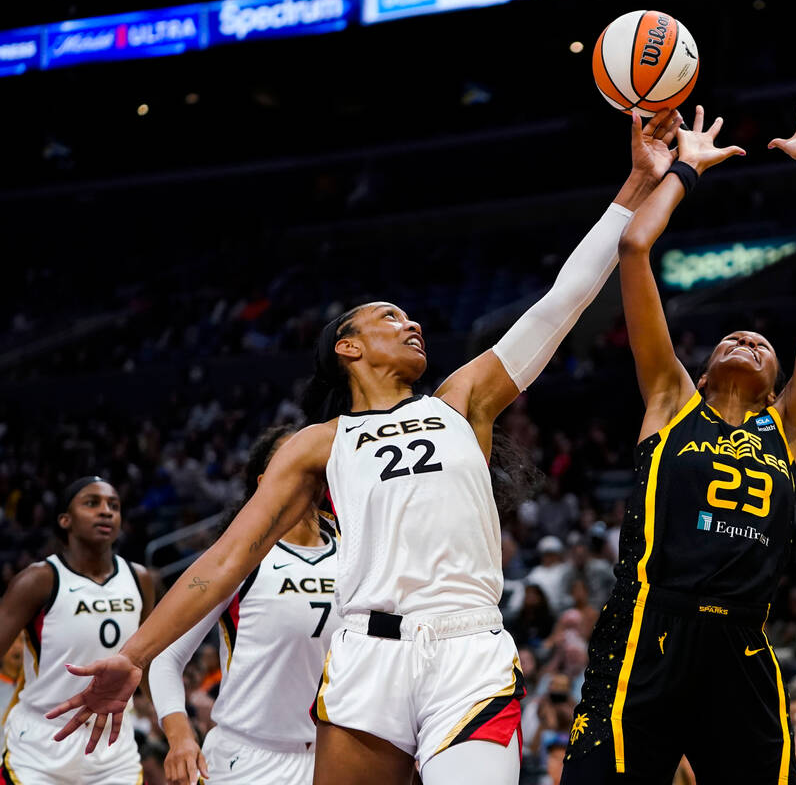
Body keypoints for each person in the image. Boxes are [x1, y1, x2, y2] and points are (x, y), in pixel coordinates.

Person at [48, 109, 686, 785]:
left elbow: (562, 303)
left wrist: (638, 185)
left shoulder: (461, 400)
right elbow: (226, 559)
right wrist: (139, 655)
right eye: (388, 317)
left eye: (409, 316)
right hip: (366, 657)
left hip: (467, 649)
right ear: (347, 347)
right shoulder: (316, 444)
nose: (409, 322)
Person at [563, 78, 796, 785]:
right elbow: (635, 249)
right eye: (732, 336)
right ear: (705, 362)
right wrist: (684, 170)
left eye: (761, 342)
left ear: (781, 378)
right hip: (649, 631)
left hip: (743, 644)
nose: (746, 338)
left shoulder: (789, 427)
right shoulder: (669, 398)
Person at [147, 425, 340, 785]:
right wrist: (180, 736)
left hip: (333, 756)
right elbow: (165, 657)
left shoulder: (356, 552)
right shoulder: (235, 560)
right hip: (246, 759)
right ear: (267, 479)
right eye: (294, 453)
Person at [0, 476, 156, 784]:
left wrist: (166, 714)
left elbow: (151, 659)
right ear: (64, 520)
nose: (106, 511)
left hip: (113, 745)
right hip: (40, 745)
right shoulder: (38, 580)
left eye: (114, 505)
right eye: (92, 503)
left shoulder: (141, 579)